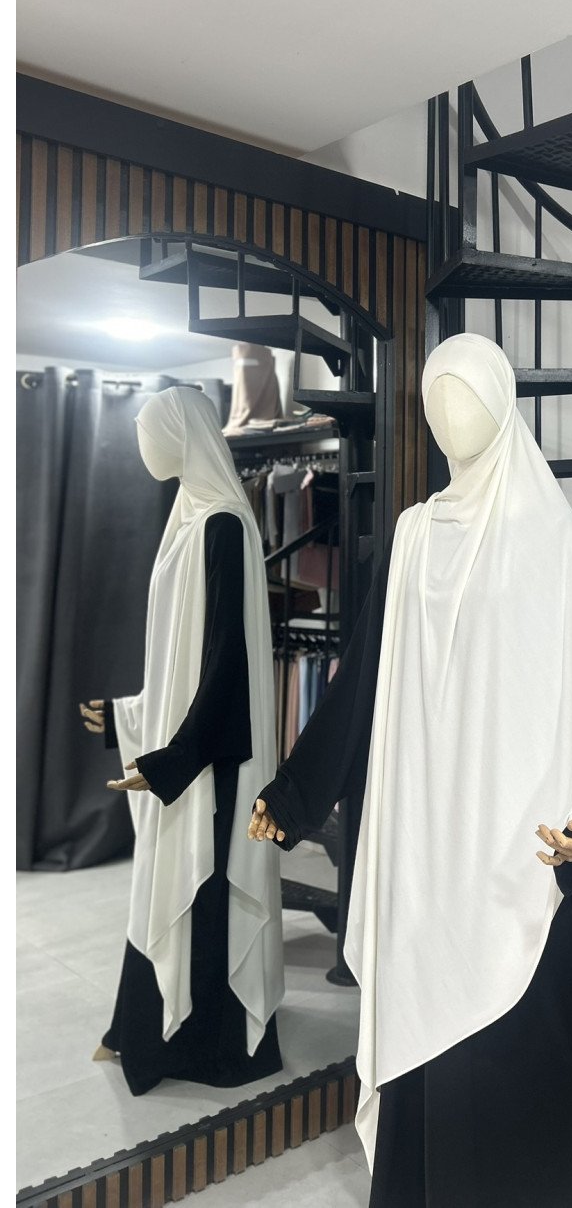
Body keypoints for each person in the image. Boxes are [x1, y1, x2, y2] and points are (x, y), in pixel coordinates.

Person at [249, 333, 572, 1206]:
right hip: (428, 850)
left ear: (503, 407)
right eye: (437, 406)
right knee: (433, 1033)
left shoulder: (547, 534)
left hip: (522, 850)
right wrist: (299, 789)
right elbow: (364, 676)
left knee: (527, 1040)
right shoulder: (414, 534)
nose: (450, 420)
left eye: (466, 400)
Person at [81, 385, 283, 1096]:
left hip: (214, 758)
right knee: (169, 883)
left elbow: (227, 665)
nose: (144, 446)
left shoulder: (222, 524)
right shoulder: (189, 520)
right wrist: (130, 716)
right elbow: (179, 660)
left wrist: (174, 758)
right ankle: (144, 1030)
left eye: (151, 432)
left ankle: (209, 1050)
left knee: (206, 887)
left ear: (181, 437)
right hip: (191, 748)